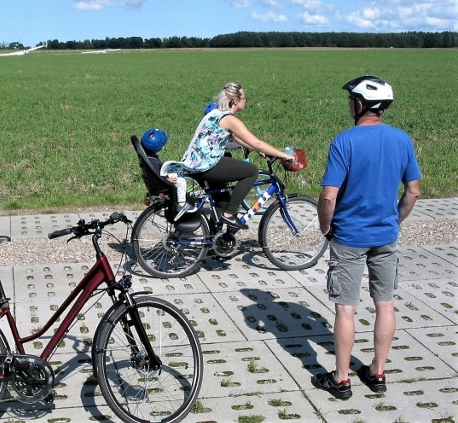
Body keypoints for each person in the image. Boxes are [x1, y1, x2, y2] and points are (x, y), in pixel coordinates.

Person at [312, 75, 421, 399]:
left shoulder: (345, 141)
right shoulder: (402, 139)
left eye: (351, 101)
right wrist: (395, 220)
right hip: (385, 234)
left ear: (359, 104)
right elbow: (413, 192)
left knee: (346, 308)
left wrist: (324, 227)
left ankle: (342, 379)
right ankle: (377, 372)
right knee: (385, 302)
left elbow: (328, 197)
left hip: (349, 236)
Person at [166, 82, 295, 229]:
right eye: (244, 98)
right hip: (206, 165)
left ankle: (216, 246)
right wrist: (284, 155)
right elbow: (257, 142)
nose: (246, 101)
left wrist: (254, 149)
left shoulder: (215, 113)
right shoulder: (229, 119)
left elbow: (235, 137)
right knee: (251, 171)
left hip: (194, 164)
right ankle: (230, 215)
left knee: (222, 202)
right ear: (235, 100)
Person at [140, 128, 195, 216]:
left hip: (158, 180)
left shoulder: (148, 158)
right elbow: (156, 176)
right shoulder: (153, 162)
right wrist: (166, 179)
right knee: (181, 182)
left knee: (178, 173)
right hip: (161, 182)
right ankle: (182, 204)